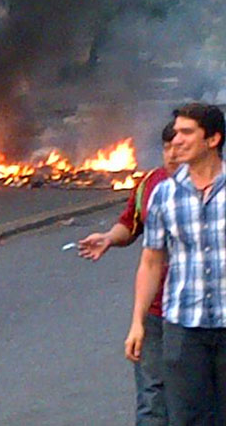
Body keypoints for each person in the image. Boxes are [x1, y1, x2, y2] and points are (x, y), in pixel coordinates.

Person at [125, 103, 226, 425]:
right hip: (183, 328)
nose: (177, 141)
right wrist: (138, 322)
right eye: (176, 133)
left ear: (212, 139)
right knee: (187, 418)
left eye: (187, 132)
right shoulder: (163, 195)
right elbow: (151, 261)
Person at [79, 123, 178, 426]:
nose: (173, 154)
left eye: (182, 145)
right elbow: (132, 227)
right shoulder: (150, 184)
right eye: (167, 147)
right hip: (157, 311)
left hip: (206, 317)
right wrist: (110, 237)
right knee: (152, 400)